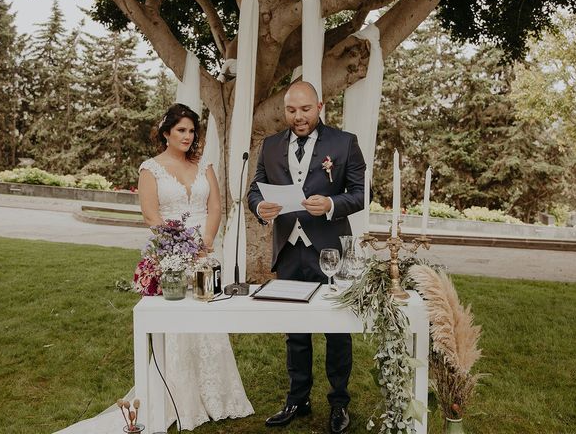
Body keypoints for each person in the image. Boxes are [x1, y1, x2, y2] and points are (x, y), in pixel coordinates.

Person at [55, 104, 253, 433]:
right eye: (181, 131)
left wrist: (205, 242)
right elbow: (151, 216)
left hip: (205, 252)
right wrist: (180, 247)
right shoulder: (151, 169)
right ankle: (180, 399)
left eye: (192, 131)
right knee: (177, 321)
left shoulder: (205, 164)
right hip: (172, 255)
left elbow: (215, 205)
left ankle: (219, 395)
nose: (188, 137)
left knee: (208, 319)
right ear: (166, 134)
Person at [247, 81, 365, 434]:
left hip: (330, 251)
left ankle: (339, 403)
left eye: (305, 109)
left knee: (337, 329)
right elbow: (255, 189)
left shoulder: (344, 143)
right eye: (291, 110)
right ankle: (298, 398)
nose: (298, 117)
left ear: (320, 106)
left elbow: (360, 195)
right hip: (288, 250)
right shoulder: (270, 146)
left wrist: (331, 204)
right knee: (295, 331)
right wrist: (259, 207)